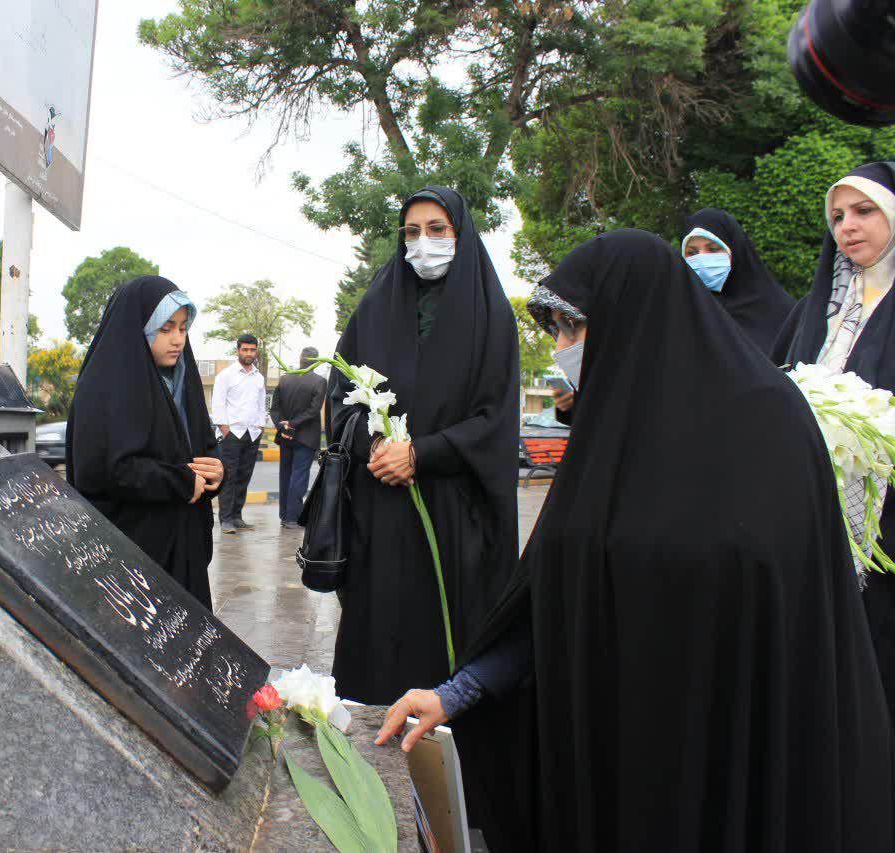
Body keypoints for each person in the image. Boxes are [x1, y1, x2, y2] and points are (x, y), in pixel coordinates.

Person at [379, 230, 894, 853]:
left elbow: (792, 623)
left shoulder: (771, 424)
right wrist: (456, 692)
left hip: (730, 769)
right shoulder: (606, 444)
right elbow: (548, 607)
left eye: (574, 329)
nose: (565, 351)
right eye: (557, 334)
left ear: (636, 316)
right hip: (614, 770)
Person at [328, 185, 520, 707]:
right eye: (411, 232)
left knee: (443, 651)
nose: (423, 242)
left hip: (451, 516)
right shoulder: (374, 309)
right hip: (382, 510)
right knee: (377, 656)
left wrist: (423, 453)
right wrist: (376, 446)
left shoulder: (492, 317)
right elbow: (340, 396)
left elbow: (495, 419)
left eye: (437, 230)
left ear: (460, 234)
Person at [774, 161, 895, 725]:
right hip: (818, 511)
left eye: (864, 210)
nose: (847, 226)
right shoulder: (816, 311)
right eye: (837, 216)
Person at [65, 276, 224, 610]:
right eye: (165, 328)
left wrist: (215, 470)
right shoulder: (103, 388)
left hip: (184, 549)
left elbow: (202, 444)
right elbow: (104, 470)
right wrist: (179, 481)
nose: (177, 339)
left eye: (183, 328)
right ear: (137, 327)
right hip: (133, 555)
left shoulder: (182, 382)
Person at [680, 208, 795, 355]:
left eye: (713, 249)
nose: (702, 259)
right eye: (692, 252)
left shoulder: (786, 314)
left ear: (736, 250)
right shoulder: (684, 314)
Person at [211, 334, 265, 534]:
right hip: (232, 434)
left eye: (252, 350)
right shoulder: (226, 375)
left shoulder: (259, 377)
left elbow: (261, 405)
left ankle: (237, 516)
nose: (249, 353)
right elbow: (218, 403)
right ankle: (225, 519)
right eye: (245, 349)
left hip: (252, 434)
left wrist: (260, 426)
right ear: (238, 350)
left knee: (244, 476)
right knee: (229, 477)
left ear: (255, 351)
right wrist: (225, 429)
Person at [270, 346, 327, 529]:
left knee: (285, 475)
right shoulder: (320, 381)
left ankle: (284, 514)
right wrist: (293, 423)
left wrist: (282, 423)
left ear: (300, 358)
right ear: (316, 361)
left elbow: (275, 407)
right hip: (306, 437)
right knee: (299, 476)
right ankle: (293, 518)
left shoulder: (285, 379)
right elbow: (313, 410)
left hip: (286, 435)